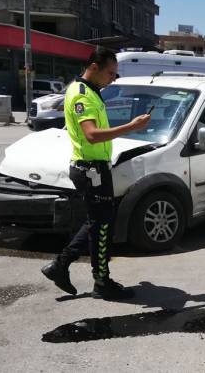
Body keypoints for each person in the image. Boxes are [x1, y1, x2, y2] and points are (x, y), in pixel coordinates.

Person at [41, 48, 150, 300]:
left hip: (95, 167)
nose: (113, 78)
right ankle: (100, 282)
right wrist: (130, 127)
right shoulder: (81, 95)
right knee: (101, 226)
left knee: (98, 222)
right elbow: (91, 134)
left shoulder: (91, 91)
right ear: (94, 67)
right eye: (110, 73)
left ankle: (60, 266)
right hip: (89, 169)